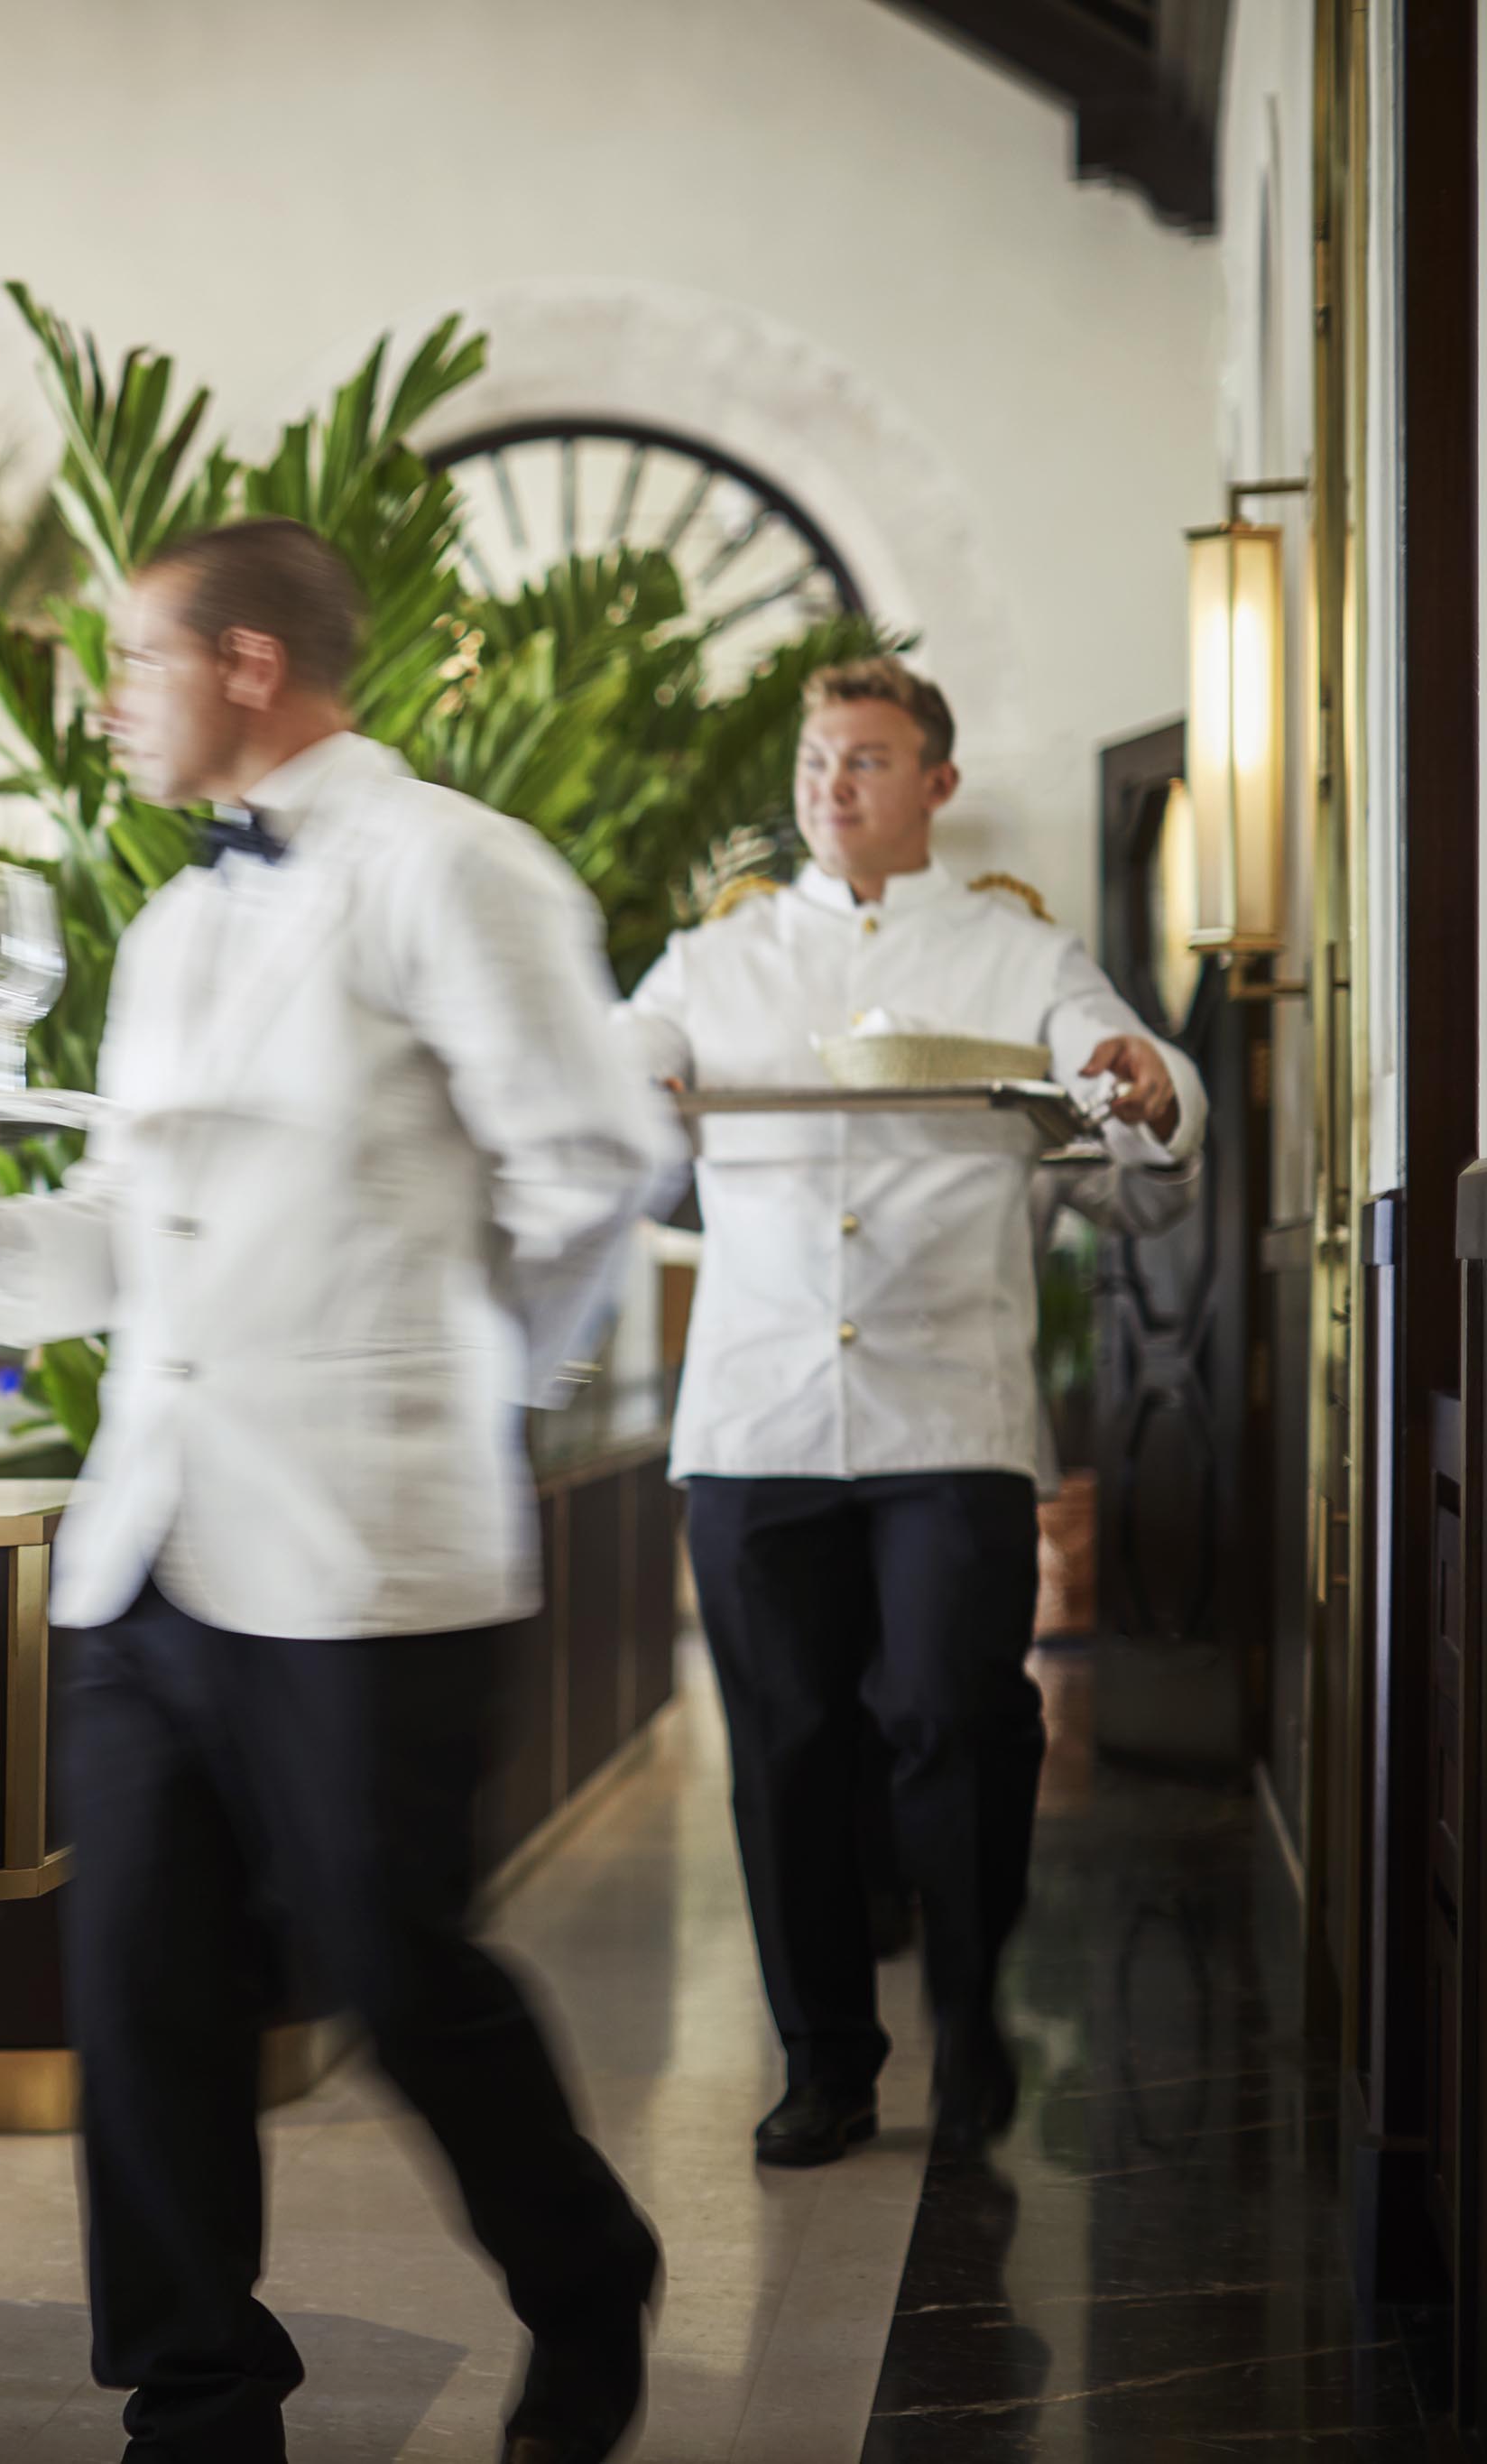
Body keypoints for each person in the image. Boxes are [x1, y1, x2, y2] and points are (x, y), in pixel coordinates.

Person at [0, 518, 680, 2464]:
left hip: (371, 1549)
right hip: (151, 1547)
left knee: (391, 1965)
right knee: (138, 2000)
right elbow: (127, 1229)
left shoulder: (451, 868)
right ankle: (194, 2409)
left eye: (130, 662)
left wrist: (457, 1388)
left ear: (247, 668)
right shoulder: (173, 921)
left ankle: (577, 2264)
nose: (106, 703)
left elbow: (590, 1161)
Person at [614, 656, 1202, 2167]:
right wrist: (630, 1097)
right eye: (818, 763)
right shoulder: (713, 958)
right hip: (755, 1419)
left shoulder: (1016, 950)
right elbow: (619, 1087)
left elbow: (1130, 1086)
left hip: (953, 1405)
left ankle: (971, 2009)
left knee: (959, 1717)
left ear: (934, 783)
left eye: (866, 760)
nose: (831, 787)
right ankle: (825, 2060)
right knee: (788, 1747)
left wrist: (1142, 1083)